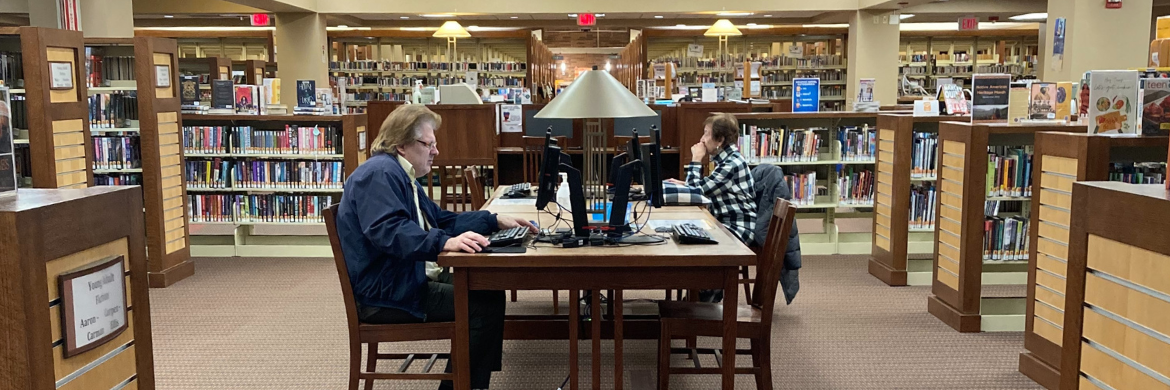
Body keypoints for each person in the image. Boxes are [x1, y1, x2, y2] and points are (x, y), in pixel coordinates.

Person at [335, 104, 536, 390]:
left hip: (404, 277)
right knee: (483, 305)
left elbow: (441, 219)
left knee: (488, 292)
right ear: (402, 144)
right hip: (386, 292)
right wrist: (444, 241)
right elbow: (390, 231)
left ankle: (467, 381)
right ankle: (462, 385)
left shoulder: (401, 175)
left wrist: (493, 220)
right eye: (428, 144)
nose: (436, 151)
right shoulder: (378, 174)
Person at [666, 113, 757, 302]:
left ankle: (701, 300)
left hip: (737, 228)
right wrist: (685, 184)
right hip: (723, 223)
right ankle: (697, 299)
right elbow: (703, 187)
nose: (701, 139)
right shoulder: (726, 160)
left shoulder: (732, 164)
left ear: (720, 140)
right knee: (686, 236)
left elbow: (697, 193)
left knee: (693, 243)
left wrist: (696, 160)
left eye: (706, 134)